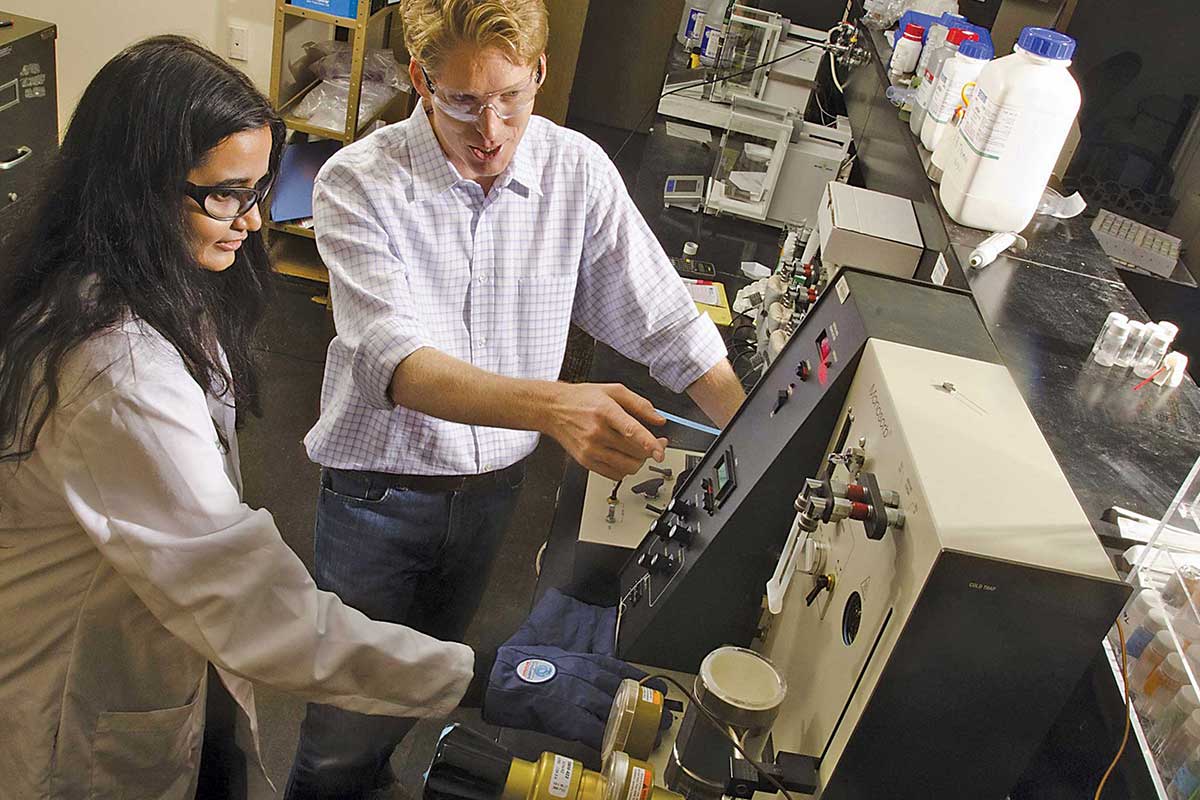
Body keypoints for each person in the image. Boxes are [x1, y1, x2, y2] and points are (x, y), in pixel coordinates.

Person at [0, 36, 480, 800]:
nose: (253, 221)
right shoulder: (115, 372)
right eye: (226, 193)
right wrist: (471, 677)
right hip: (74, 712)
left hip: (156, 644)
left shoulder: (142, 283)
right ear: (138, 189)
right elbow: (257, 609)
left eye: (258, 189)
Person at [288, 0, 747, 795]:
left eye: (510, 96)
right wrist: (556, 406)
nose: (490, 128)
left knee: (424, 687)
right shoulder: (360, 183)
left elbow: (666, 316)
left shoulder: (574, 171)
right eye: (462, 100)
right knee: (346, 720)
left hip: (491, 492)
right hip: (381, 496)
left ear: (539, 72)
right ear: (423, 81)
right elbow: (396, 362)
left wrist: (760, 437)